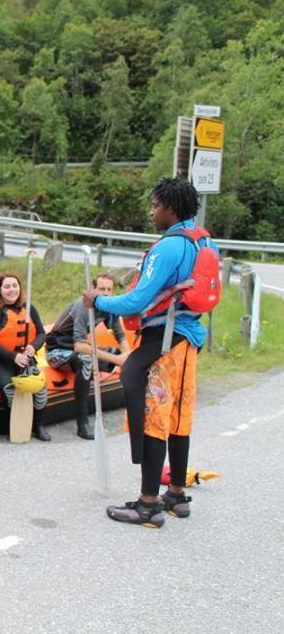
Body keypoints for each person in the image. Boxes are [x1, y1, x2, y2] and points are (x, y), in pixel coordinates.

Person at [83, 177, 219, 527]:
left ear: (170, 208)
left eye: (155, 205)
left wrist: (97, 300)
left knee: (154, 416)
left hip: (163, 340)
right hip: (189, 340)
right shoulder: (206, 241)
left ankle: (147, 504)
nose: (152, 211)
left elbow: (137, 300)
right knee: (178, 417)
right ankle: (175, 494)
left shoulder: (169, 247)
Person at [46, 273, 132, 440]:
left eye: (109, 290)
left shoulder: (109, 307)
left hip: (77, 349)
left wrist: (127, 355)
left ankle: (133, 405)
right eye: (101, 289)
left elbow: (120, 335)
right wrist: (116, 360)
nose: (106, 294)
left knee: (120, 355)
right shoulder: (83, 306)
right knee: (86, 361)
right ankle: (82, 423)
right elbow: (79, 346)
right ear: (93, 289)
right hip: (58, 349)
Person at [0, 272, 50, 441]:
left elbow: (41, 333)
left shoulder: (29, 308)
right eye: (7, 286)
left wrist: (33, 347)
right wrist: (13, 357)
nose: (12, 290)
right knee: (10, 390)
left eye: (15, 286)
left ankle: (38, 425)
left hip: (24, 358)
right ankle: (15, 425)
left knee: (40, 388)